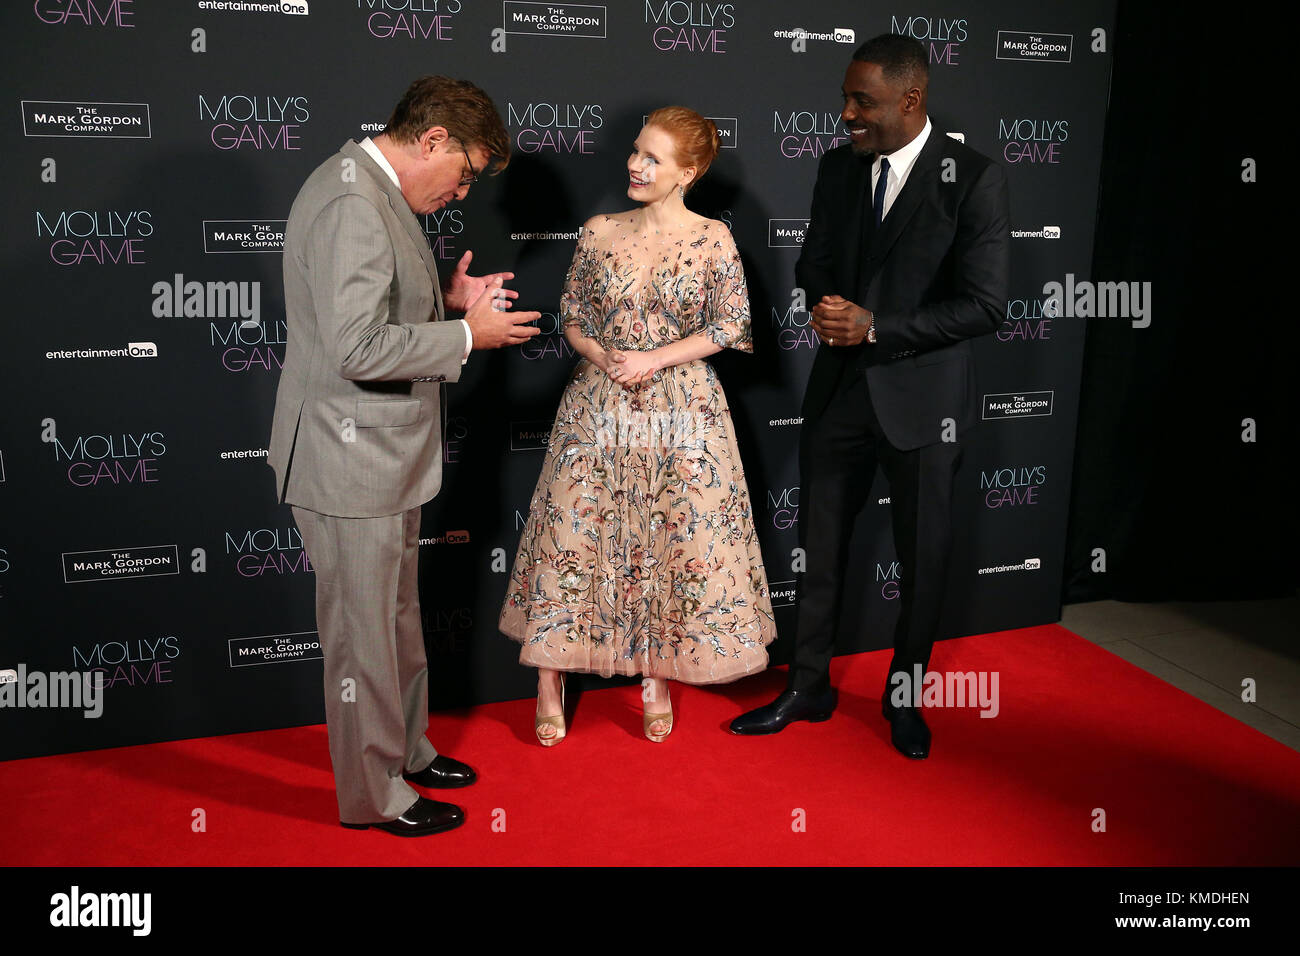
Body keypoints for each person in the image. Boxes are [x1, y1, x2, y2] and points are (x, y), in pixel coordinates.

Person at [268, 76, 541, 836]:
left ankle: (407, 752)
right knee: (362, 644)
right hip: (345, 458)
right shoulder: (355, 202)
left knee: (393, 622)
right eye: (463, 174)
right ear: (432, 141)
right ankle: (375, 794)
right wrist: (464, 337)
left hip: (377, 457)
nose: (461, 192)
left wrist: (444, 302)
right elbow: (356, 346)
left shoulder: (371, 186)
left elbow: (368, 311)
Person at [729, 35, 1010, 758]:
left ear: (910, 100)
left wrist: (878, 326)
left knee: (923, 561)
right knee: (818, 551)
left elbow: (986, 306)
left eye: (863, 102)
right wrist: (824, 305)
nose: (847, 114)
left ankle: (905, 699)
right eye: (845, 98)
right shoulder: (838, 167)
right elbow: (814, 258)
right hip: (839, 392)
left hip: (925, 402)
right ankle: (809, 685)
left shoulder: (971, 178)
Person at [499, 106, 777, 746]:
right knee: (571, 537)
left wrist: (652, 358)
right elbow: (571, 316)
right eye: (635, 151)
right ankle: (549, 680)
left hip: (682, 410)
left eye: (653, 158)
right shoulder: (598, 230)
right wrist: (602, 356)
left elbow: (729, 325)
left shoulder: (711, 238)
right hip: (598, 404)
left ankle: (655, 677)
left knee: (669, 544)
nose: (635, 165)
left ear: (690, 171)